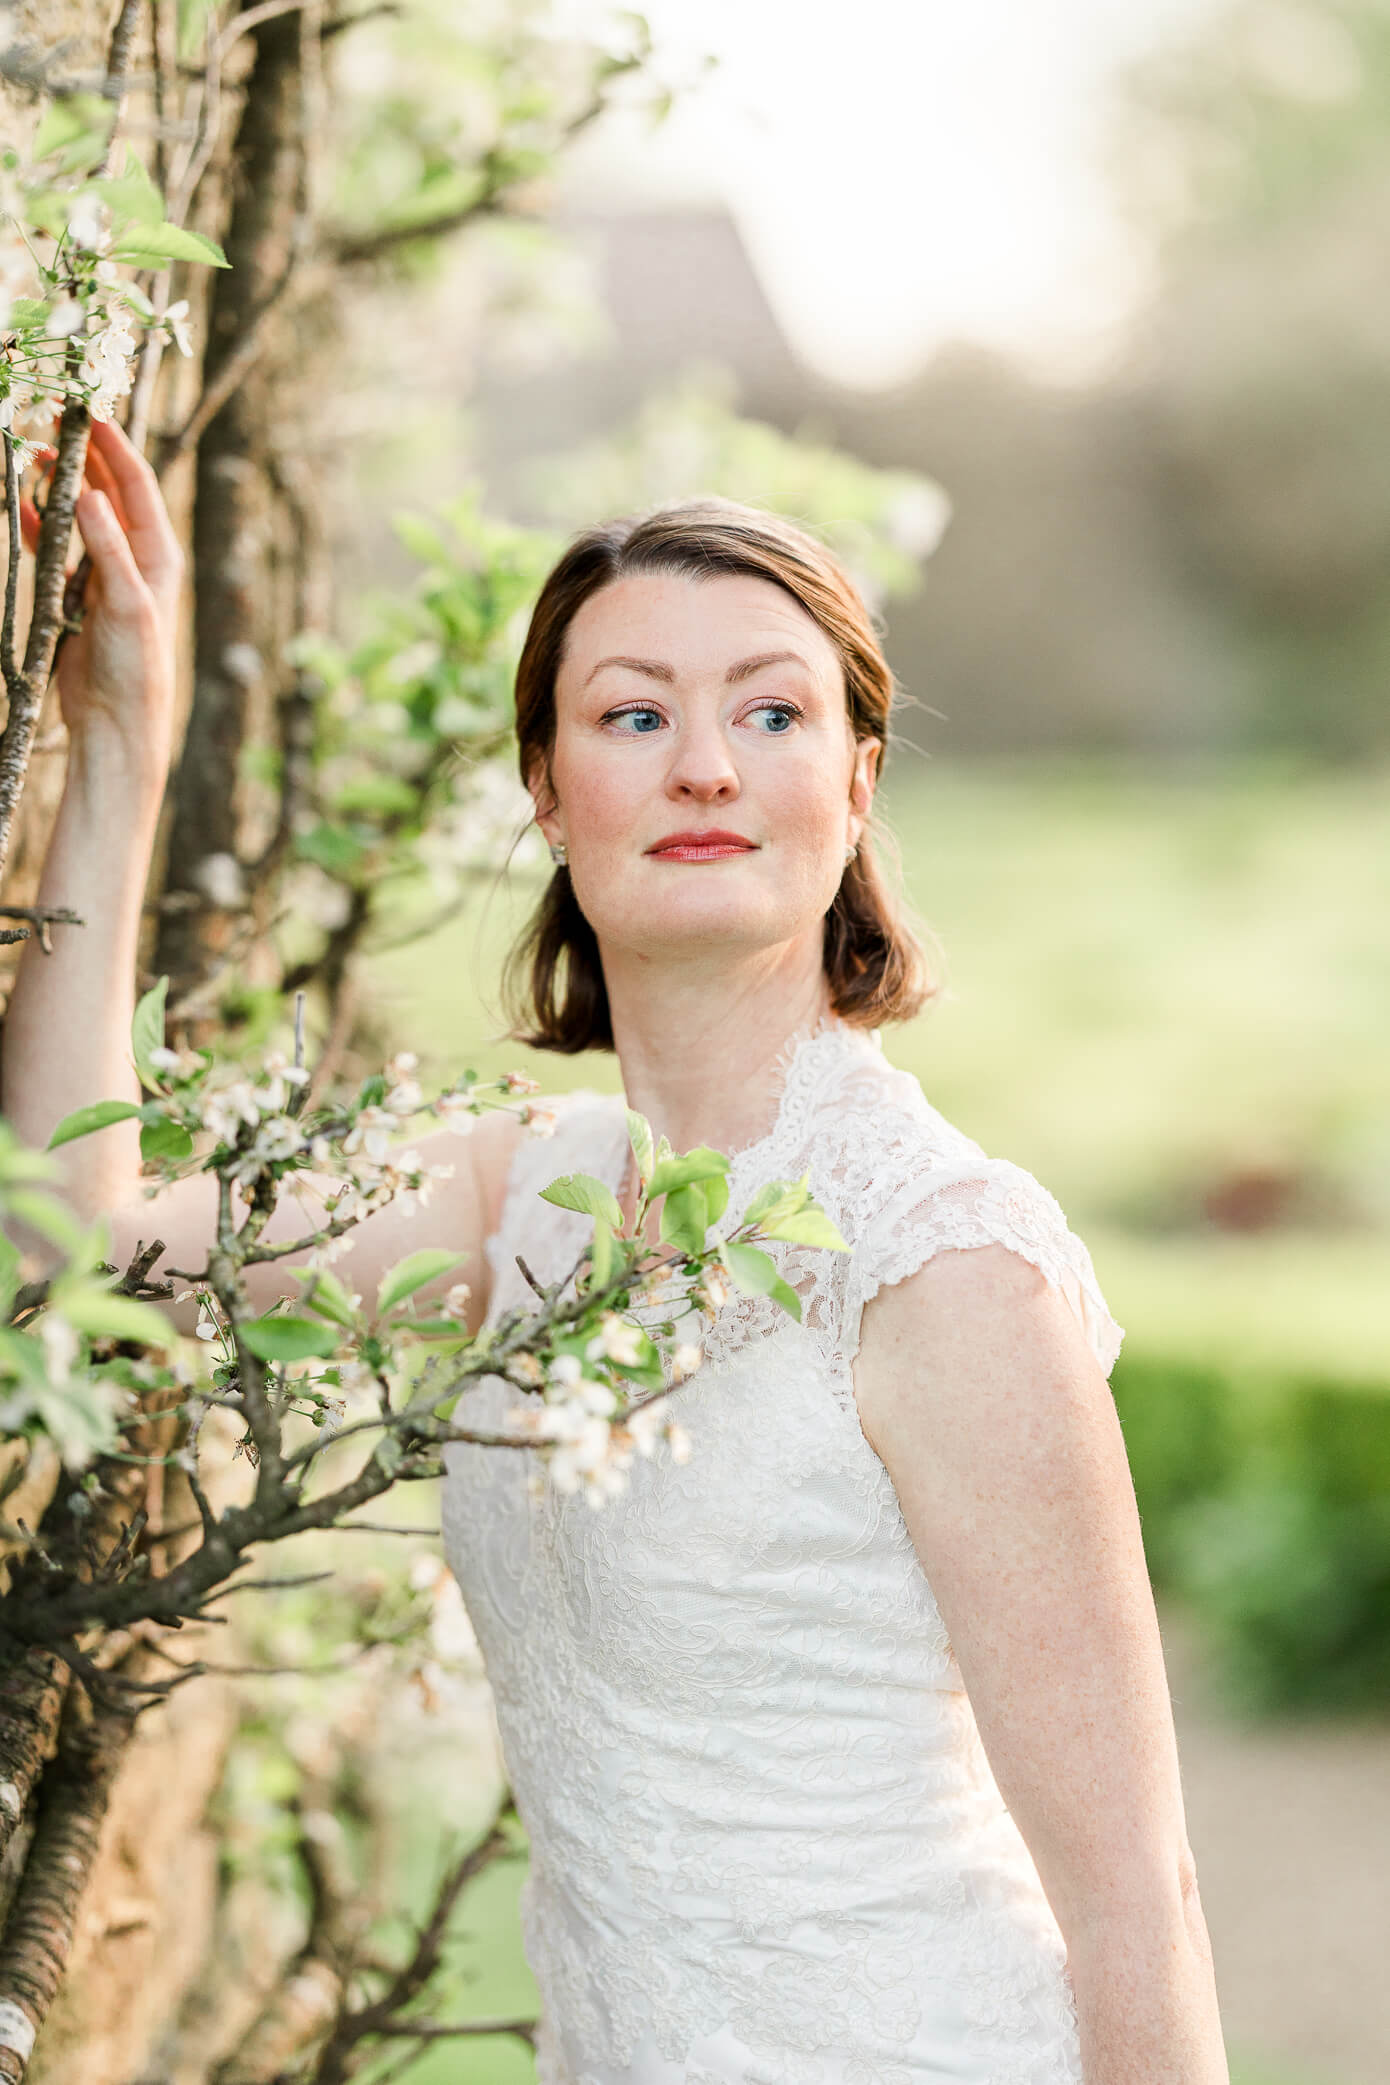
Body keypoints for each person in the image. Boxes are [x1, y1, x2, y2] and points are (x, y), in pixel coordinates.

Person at [1, 419, 1229, 2085]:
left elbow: (1135, 1899)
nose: (705, 766)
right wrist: (120, 749)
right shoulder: (521, 1204)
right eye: (633, 713)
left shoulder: (940, 1264)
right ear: (546, 790)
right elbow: (75, 1242)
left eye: (772, 711)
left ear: (854, 780)